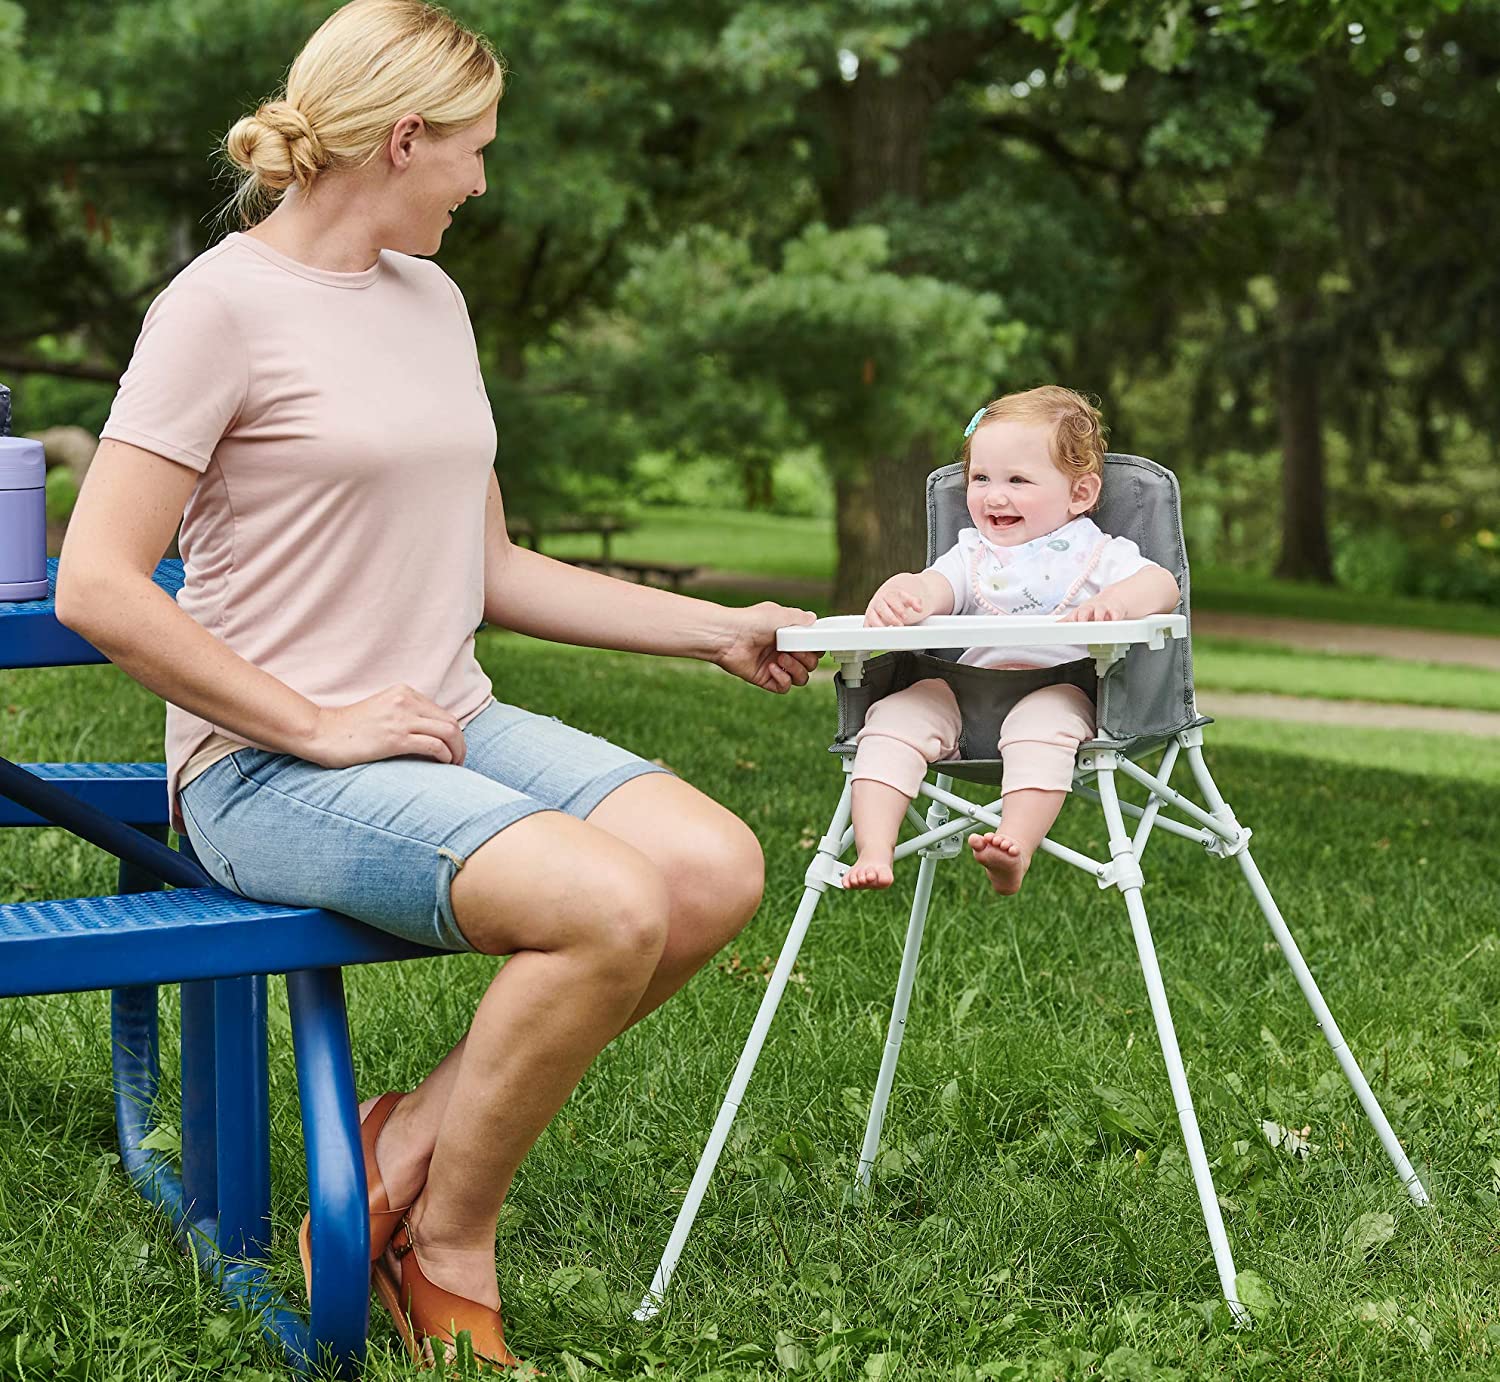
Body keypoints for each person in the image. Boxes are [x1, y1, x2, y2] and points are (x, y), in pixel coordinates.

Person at [54, 0, 816, 1368]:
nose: (481, 180)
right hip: (266, 768)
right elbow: (98, 584)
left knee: (710, 867)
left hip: (440, 721)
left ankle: (401, 1143)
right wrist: (318, 724)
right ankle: (447, 1233)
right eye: (472, 150)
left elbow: (496, 565)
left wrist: (707, 628)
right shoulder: (216, 309)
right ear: (403, 139)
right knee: (606, 901)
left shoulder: (431, 298)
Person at [841, 386, 1179, 894]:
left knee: (1043, 725)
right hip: (964, 694)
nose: (994, 496)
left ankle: (1014, 845)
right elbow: (934, 587)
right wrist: (905, 591)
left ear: (1079, 495)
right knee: (890, 719)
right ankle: (873, 847)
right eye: (980, 479)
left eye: (1017, 480)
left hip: (1061, 692)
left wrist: (1120, 605)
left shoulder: (1099, 554)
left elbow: (1163, 585)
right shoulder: (971, 553)